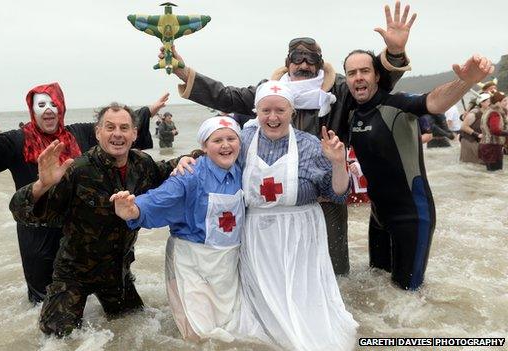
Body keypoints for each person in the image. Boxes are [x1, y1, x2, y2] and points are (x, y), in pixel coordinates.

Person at [164, 1, 416, 275]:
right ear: (287, 62)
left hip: (326, 197)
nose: (304, 64)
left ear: (321, 63)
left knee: (334, 274)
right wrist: (182, 70)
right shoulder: (269, 92)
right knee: (275, 272)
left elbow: (374, 85)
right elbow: (227, 95)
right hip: (274, 201)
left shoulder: (341, 90)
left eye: (312, 58)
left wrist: (394, 52)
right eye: (297, 57)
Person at [0, 82, 166, 304]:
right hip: (37, 231)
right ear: (32, 110)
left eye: (53, 103)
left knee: (98, 291)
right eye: (41, 104)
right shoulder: (17, 141)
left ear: (62, 107)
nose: (48, 109)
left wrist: (148, 112)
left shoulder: (78, 134)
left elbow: (116, 131)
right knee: (42, 301)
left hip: (79, 233)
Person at [9, 103, 188, 337]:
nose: (117, 134)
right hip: (73, 274)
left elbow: (167, 170)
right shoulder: (79, 170)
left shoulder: (142, 164)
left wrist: (189, 158)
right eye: (110, 127)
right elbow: (22, 213)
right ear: (97, 132)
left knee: (137, 328)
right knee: (56, 338)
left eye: (124, 128)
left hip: (116, 272)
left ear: (134, 133)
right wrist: (42, 185)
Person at [343, 50, 494, 290]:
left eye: (365, 71)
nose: (358, 77)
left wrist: (467, 81)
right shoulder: (349, 112)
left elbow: (434, 101)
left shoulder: (398, 104)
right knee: (376, 289)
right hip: (378, 217)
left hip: (411, 217)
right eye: (352, 73)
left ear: (377, 76)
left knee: (408, 299)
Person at [233, 81, 357, 350]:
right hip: (257, 235)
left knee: (303, 299)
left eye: (280, 110)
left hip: (301, 232)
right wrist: (185, 161)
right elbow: (214, 161)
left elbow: (337, 194)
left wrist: (339, 162)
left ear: (292, 112)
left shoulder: (310, 144)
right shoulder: (242, 141)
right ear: (256, 111)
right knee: (263, 303)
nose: (273, 117)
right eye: (266, 110)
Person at [110, 116, 244, 343]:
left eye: (231, 138)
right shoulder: (190, 175)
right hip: (190, 260)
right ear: (204, 146)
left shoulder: (243, 171)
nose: (225, 145)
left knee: (228, 327)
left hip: (226, 261)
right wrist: (133, 210)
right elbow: (161, 198)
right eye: (217, 140)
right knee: (196, 333)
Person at [479, 91, 508, 171]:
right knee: (495, 173)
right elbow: (495, 130)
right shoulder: (495, 113)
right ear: (498, 102)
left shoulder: (488, 110)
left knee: (491, 175)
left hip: (486, 145)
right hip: (492, 147)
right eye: (504, 101)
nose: (507, 102)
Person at [460, 93, 490, 164]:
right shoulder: (474, 113)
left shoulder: (487, 112)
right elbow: (463, 126)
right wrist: (477, 134)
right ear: (482, 103)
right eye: (488, 101)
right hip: (469, 140)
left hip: (480, 141)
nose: (490, 103)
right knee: (472, 163)